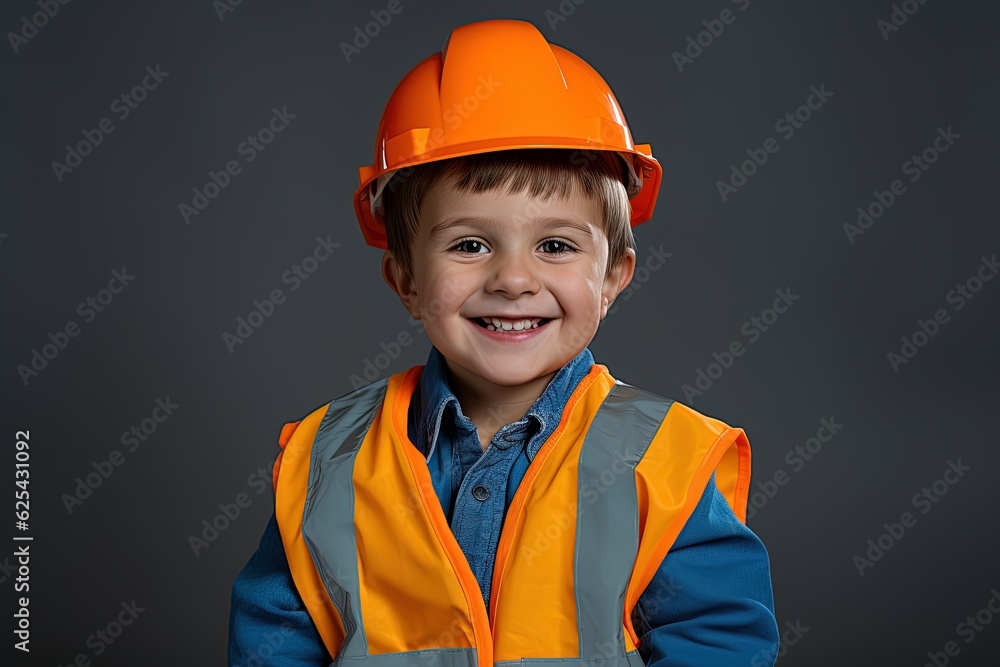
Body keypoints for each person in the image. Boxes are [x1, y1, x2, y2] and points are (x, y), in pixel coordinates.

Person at [228, 18, 779, 667]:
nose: (514, 279)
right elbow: (273, 646)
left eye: (555, 246)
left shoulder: (667, 463)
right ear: (405, 277)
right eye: (470, 244)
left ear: (612, 278)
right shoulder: (328, 462)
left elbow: (717, 645)